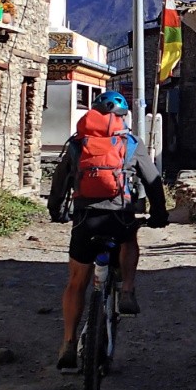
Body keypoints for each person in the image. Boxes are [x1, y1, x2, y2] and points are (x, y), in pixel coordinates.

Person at [47, 91, 168, 370]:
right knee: (130, 236)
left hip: (84, 219)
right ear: (121, 118)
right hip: (118, 216)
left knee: (77, 281)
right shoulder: (130, 143)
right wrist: (159, 215)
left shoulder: (78, 143)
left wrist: (56, 212)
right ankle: (127, 289)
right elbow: (153, 181)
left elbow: (59, 184)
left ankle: (68, 342)